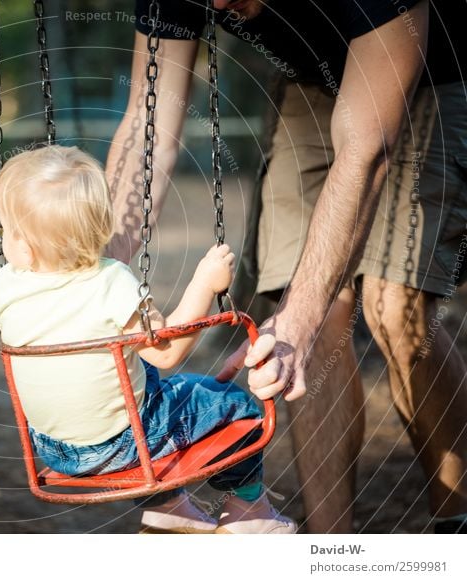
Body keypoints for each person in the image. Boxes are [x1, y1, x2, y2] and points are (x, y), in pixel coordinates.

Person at [106, 0, 467, 532]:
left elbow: (367, 147)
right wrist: (91, 282)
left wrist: (303, 312)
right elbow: (149, 122)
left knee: (394, 309)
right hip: (310, 87)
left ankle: (454, 519)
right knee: (302, 332)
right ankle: (328, 547)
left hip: (430, 77)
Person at [0, 145, 296, 534]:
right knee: (229, 401)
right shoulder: (111, 281)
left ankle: (168, 509)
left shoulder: (4, 286)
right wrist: (205, 284)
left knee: (131, 375)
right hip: (122, 445)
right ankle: (247, 511)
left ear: (26, 248)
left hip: (52, 448)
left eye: (7, 228)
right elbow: (169, 352)